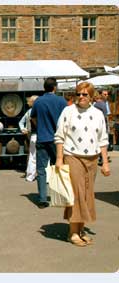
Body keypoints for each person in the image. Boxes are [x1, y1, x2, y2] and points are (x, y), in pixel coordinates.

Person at [55, 82, 110, 247]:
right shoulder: (68, 111)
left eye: (85, 94)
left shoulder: (98, 114)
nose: (81, 97)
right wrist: (59, 159)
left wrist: (105, 163)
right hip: (72, 156)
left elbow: (103, 140)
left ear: (91, 96)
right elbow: (59, 136)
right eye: (78, 94)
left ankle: (81, 229)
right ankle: (72, 232)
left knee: (87, 194)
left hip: (92, 159)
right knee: (76, 194)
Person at [30, 77, 67, 208]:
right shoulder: (61, 101)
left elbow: (32, 117)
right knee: (57, 167)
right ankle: (58, 196)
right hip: (58, 140)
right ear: (55, 87)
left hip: (42, 137)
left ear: (44, 87)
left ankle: (42, 198)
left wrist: (40, 125)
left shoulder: (38, 101)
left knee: (41, 169)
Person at [18, 95, 39, 182]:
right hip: (37, 135)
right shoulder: (35, 111)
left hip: (31, 135)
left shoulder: (28, 111)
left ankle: (30, 175)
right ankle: (44, 176)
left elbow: (21, 122)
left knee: (32, 156)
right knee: (39, 156)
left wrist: (23, 129)